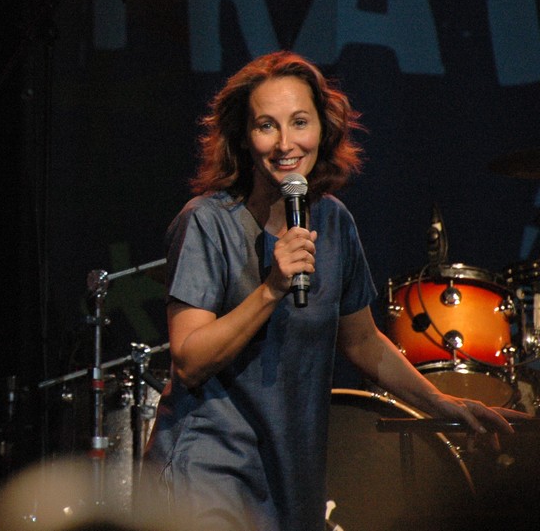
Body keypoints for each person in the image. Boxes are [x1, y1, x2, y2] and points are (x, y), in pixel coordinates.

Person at [144, 51, 522, 531]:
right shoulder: (206, 221)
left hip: (290, 472)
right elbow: (189, 359)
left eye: (299, 122)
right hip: (211, 466)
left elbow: (361, 340)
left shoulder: (333, 220)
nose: (285, 143)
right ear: (243, 136)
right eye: (266, 126)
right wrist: (272, 289)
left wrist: (441, 403)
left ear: (323, 128)